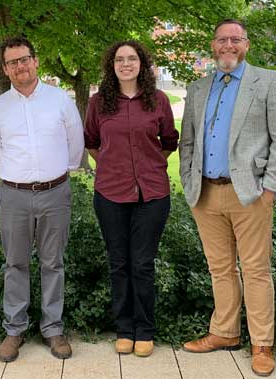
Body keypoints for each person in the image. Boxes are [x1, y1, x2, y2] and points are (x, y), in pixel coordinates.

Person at [179, 19, 276, 376]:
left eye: (235, 39)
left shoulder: (269, 81)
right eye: (222, 40)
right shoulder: (198, 88)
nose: (228, 45)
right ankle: (225, 333)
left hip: (251, 194)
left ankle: (262, 343)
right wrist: (187, 181)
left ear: (246, 45)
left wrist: (272, 188)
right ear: (213, 46)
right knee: (220, 269)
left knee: (256, 269)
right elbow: (187, 140)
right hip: (205, 193)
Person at [0, 36, 84, 362]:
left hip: (56, 193)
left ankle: (53, 328)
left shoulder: (60, 100)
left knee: (52, 262)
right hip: (14, 195)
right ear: (5, 68)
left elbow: (75, 145)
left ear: (36, 60)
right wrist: (21, 175)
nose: (20, 66)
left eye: (24, 59)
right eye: (13, 62)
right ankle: (14, 329)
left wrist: (57, 173)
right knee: (15, 263)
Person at [84, 40, 178, 357]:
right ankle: (124, 329)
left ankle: (145, 330)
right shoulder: (98, 103)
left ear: (142, 64)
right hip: (110, 192)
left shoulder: (159, 100)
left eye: (132, 58)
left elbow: (169, 141)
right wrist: (114, 165)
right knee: (119, 263)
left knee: (142, 263)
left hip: (152, 193)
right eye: (120, 59)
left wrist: (149, 164)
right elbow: (92, 142)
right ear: (112, 66)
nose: (126, 64)